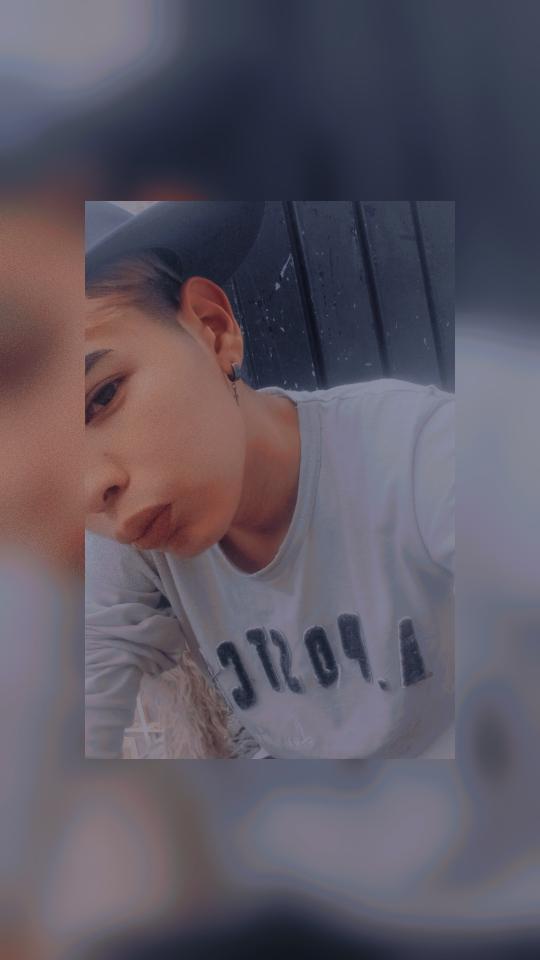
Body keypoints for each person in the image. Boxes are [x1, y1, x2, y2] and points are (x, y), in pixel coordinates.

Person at [85, 201, 454, 760]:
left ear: (212, 330)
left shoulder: (418, 452)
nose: (87, 490)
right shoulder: (135, 538)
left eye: (103, 396)